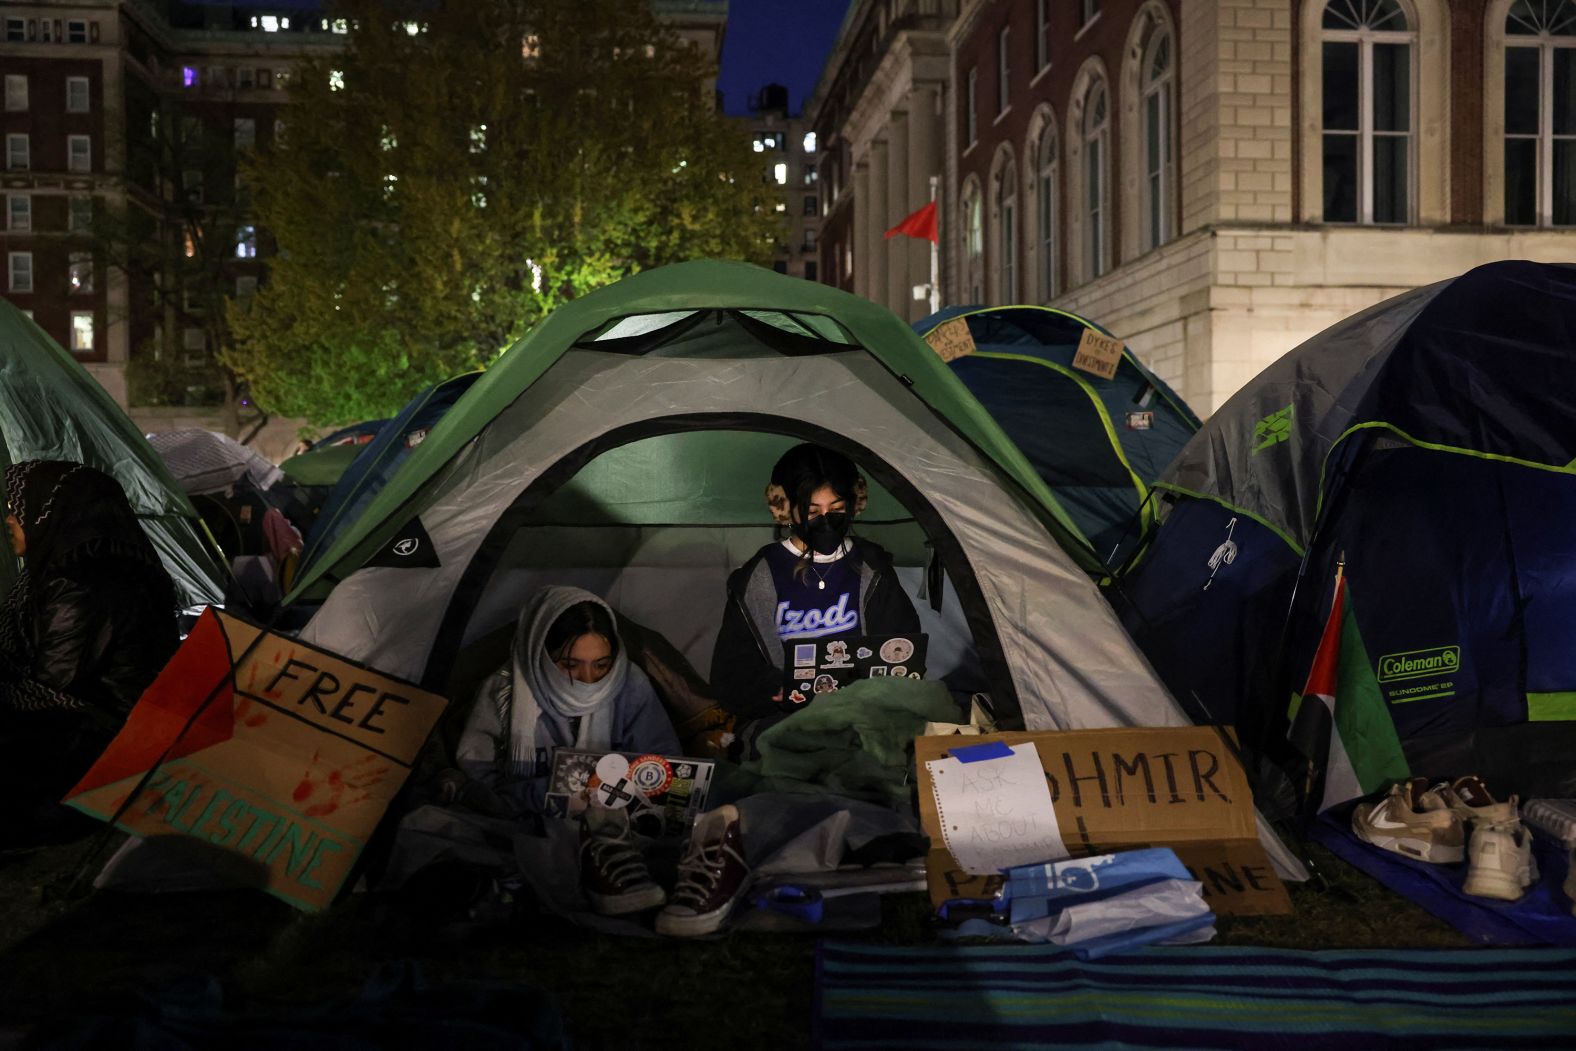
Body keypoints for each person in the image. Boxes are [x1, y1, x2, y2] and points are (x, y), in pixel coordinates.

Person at [0, 461, 180, 838]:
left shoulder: (83, 583)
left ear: (52, 515)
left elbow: (53, 685)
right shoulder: (105, 567)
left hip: (102, 736)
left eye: (19, 510)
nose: (10, 520)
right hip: (123, 725)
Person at [710, 443, 921, 729]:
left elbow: (902, 648)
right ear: (783, 507)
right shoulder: (759, 577)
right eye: (812, 511)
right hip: (787, 722)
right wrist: (781, 689)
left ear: (855, 503)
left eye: (836, 509)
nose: (826, 521)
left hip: (865, 716)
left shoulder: (872, 568)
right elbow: (732, 678)